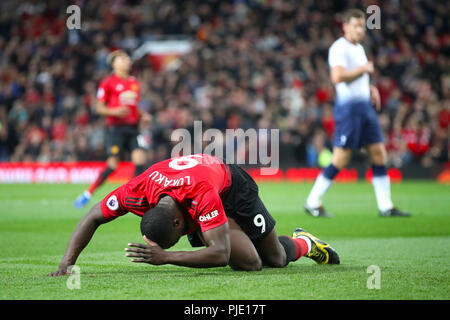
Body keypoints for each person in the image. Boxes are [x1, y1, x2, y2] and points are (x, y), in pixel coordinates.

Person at [48, 154, 339, 275]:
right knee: (250, 264)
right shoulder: (136, 191)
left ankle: (305, 242)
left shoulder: (200, 193)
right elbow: (93, 216)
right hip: (199, 199)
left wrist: (167, 258)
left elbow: (220, 253)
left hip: (233, 187)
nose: (180, 240)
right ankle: (223, 227)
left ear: (178, 223)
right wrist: (66, 264)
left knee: (274, 259)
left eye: (176, 238)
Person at [304, 9, 410, 217]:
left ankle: (386, 206)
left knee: (379, 153)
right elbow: (337, 76)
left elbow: (358, 74)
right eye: (356, 26)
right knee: (341, 159)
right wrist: (363, 70)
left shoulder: (359, 48)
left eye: (362, 26)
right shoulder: (339, 48)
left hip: (364, 108)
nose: (360, 30)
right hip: (349, 109)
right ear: (345, 26)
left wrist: (369, 87)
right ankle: (312, 202)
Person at [74, 50, 151, 208]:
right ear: (114, 64)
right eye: (123, 59)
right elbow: (99, 108)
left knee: (140, 160)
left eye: (127, 58)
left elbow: (134, 107)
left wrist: (143, 115)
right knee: (112, 165)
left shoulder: (134, 82)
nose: (127, 61)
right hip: (116, 128)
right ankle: (88, 193)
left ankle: (132, 196)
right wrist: (114, 111)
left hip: (133, 128)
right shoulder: (108, 82)